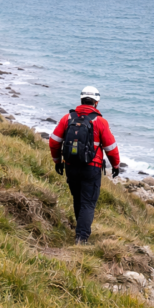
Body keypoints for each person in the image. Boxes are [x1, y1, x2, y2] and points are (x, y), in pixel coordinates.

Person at [49, 86, 120, 244]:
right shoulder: (100, 121)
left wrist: (57, 161)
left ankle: (80, 233)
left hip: (71, 165)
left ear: (81, 100)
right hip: (92, 168)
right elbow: (111, 148)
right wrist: (116, 166)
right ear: (96, 102)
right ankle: (81, 239)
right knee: (88, 202)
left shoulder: (67, 118)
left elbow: (54, 141)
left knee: (78, 199)